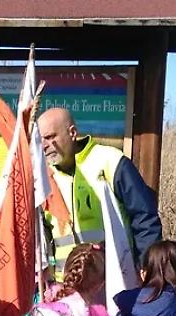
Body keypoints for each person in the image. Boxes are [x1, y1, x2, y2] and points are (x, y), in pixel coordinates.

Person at [36, 107, 162, 277]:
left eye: (50, 137)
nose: (44, 145)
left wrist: (146, 266)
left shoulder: (110, 161)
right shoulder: (44, 179)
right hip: (66, 288)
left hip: (114, 282)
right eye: (40, 140)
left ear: (72, 133)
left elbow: (144, 217)